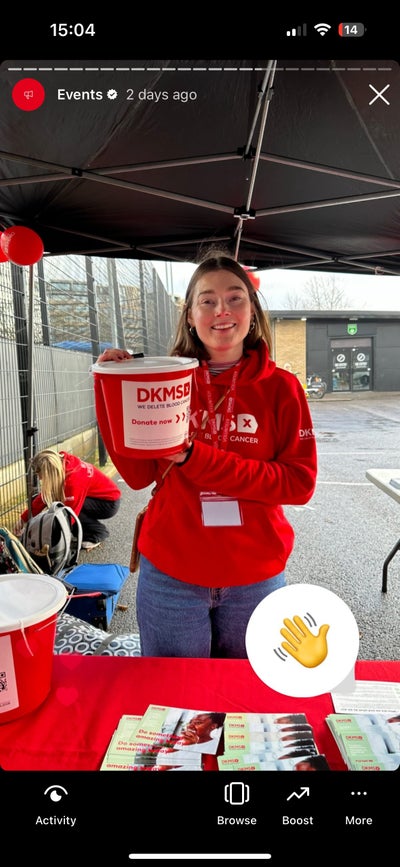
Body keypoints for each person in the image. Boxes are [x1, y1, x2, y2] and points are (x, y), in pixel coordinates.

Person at [94, 251, 317, 657]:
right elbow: (139, 475)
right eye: (207, 300)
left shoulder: (282, 388)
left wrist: (196, 459)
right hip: (172, 573)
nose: (222, 311)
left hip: (255, 573)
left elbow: (299, 484)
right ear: (191, 315)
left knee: (248, 705)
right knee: (175, 704)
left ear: (252, 310)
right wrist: (111, 384)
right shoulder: (162, 378)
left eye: (235, 298)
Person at [13, 448, 121, 550]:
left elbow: (69, 516)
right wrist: (23, 519)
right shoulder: (63, 463)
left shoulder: (73, 481)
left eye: (40, 475)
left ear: (49, 472)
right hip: (95, 498)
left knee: (65, 511)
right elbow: (44, 497)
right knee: (60, 505)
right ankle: (85, 531)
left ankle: (96, 533)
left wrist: (45, 537)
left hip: (108, 503)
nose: (40, 478)